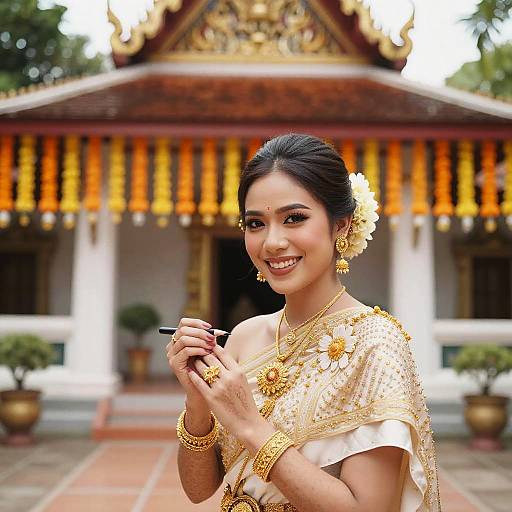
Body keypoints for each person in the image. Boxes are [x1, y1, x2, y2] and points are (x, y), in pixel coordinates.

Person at [166, 133, 440, 512]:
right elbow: (199, 490)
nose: (272, 242)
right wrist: (197, 401)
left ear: (341, 225)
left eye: (294, 218)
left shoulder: (375, 343)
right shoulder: (245, 336)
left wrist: (251, 426)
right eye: (255, 223)